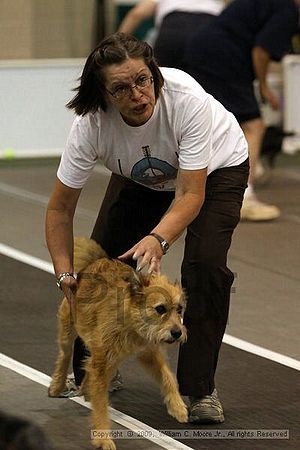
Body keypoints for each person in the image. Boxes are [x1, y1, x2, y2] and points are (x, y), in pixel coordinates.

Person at [45, 32, 249, 424]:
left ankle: (200, 388)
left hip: (215, 172)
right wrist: (64, 273)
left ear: (154, 74)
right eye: (121, 88)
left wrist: (158, 239)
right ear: (103, 95)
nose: (138, 94)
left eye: (143, 80)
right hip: (142, 178)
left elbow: (190, 193)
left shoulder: (186, 100)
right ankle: (97, 361)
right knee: (100, 268)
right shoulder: (91, 125)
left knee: (205, 267)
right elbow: (59, 209)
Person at [183, 0, 300, 221]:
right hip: (222, 56)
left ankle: (215, 185)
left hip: (205, 49)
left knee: (218, 120)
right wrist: (264, 87)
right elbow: (261, 50)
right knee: (254, 125)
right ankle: (243, 196)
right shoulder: (287, 10)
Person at [118, 1, 228, 67]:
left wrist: (116, 46)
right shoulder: (218, 2)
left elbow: (137, 14)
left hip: (173, 33)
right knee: (209, 89)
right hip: (208, 35)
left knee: (163, 86)